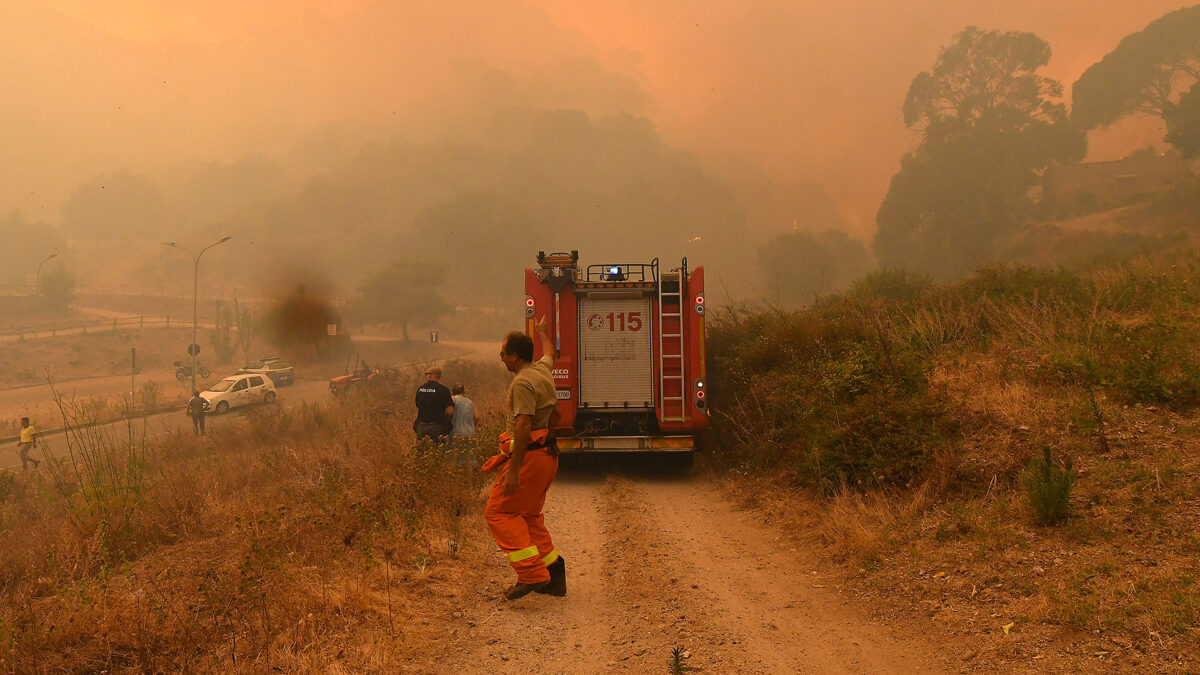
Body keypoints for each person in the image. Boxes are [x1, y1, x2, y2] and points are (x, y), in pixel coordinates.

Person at [483, 316, 566, 600]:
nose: (501, 357)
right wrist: (543, 333)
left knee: (498, 512)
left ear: (514, 356)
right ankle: (554, 575)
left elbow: (523, 425)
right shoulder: (542, 370)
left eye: (503, 353)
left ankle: (531, 574)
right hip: (547, 456)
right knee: (529, 515)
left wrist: (514, 470)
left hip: (529, 458)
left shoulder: (521, 384)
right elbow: (550, 353)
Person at [414, 366, 454, 442]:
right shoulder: (443, 390)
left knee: (422, 452)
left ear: (430, 375)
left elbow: (418, 405)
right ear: (439, 376)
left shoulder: (420, 389)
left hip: (421, 427)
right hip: (437, 428)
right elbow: (450, 411)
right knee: (437, 452)